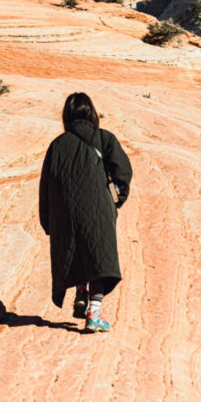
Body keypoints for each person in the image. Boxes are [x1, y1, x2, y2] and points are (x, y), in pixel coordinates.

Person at [39, 92, 132, 332]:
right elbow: (122, 172)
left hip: (64, 209)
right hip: (98, 206)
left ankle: (81, 291)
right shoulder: (104, 138)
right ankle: (94, 313)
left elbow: (46, 185)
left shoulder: (57, 145)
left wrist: (48, 219)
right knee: (98, 254)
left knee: (75, 248)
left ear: (67, 116)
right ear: (92, 113)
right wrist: (115, 201)